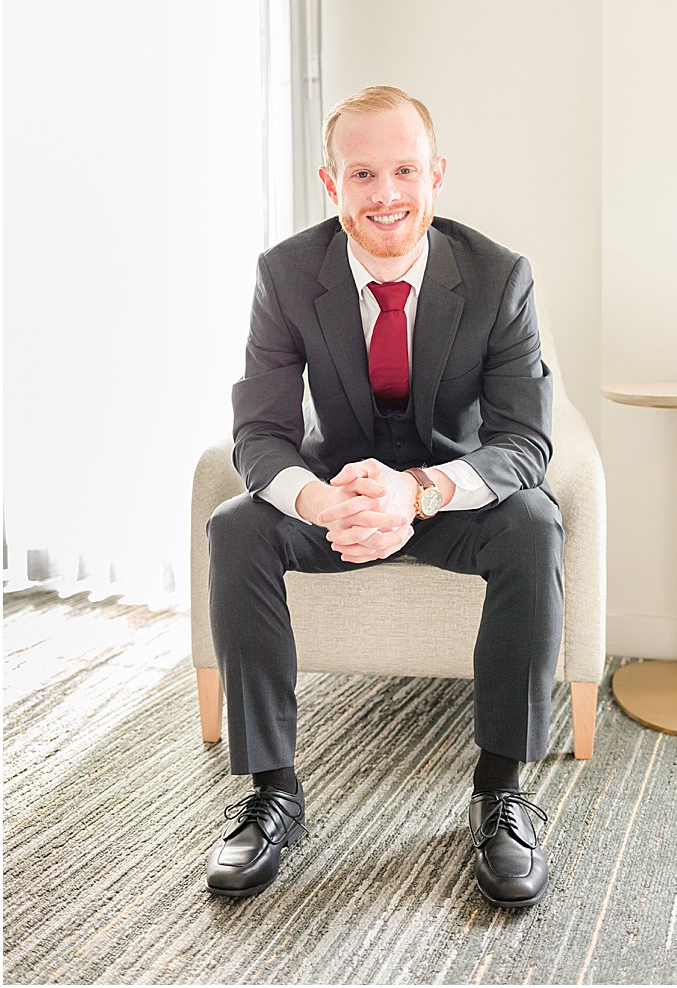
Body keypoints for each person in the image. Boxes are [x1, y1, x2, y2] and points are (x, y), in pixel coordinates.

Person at [204, 85, 564, 909]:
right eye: (362, 174)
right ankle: (274, 793)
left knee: (536, 525)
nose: (387, 194)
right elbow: (258, 432)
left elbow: (526, 441)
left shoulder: (501, 275)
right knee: (237, 528)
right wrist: (321, 503)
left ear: (436, 175)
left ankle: (500, 793)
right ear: (332, 186)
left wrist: (423, 491)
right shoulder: (286, 274)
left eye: (404, 169)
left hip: (450, 498)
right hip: (341, 496)